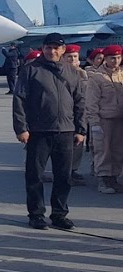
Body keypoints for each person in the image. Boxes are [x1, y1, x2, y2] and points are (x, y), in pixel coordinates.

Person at [12, 33, 86, 230]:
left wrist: (80, 129)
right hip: (38, 131)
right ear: (43, 49)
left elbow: (80, 102)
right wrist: (21, 128)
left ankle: (59, 214)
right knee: (34, 176)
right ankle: (36, 214)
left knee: (64, 176)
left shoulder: (71, 72)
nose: (51, 51)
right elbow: (19, 100)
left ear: (63, 50)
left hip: (66, 131)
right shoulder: (30, 70)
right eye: (48, 47)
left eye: (56, 48)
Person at [86, 44, 123, 193]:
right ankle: (103, 180)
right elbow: (91, 102)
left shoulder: (121, 74)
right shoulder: (97, 78)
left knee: (118, 150)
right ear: (105, 59)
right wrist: (94, 122)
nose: (115, 61)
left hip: (120, 119)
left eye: (118, 58)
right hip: (104, 119)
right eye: (112, 58)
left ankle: (114, 178)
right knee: (104, 150)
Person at [61, 46, 89, 185]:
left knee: (78, 143)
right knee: (66, 146)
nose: (72, 60)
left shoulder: (83, 74)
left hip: (81, 113)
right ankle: (64, 173)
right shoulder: (60, 73)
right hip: (66, 114)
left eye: (75, 57)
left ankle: (73, 170)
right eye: (69, 57)